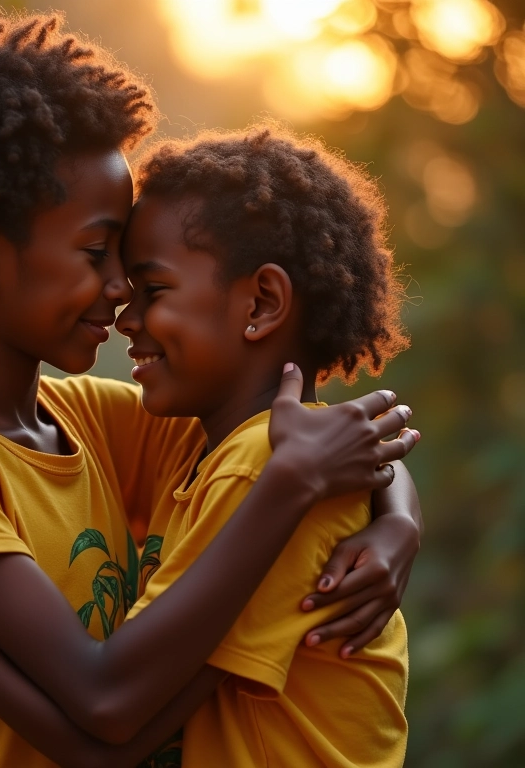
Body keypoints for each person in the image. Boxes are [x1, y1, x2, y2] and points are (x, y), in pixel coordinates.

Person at [0, 9, 420, 768]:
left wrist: (397, 517)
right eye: (97, 252)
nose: (119, 292)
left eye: (138, 276)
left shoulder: (87, 423)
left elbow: (301, 439)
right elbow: (104, 701)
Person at [113, 124, 414, 766]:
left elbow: (113, 716)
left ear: (262, 303)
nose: (124, 319)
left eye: (153, 291)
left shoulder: (268, 469)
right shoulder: (223, 445)